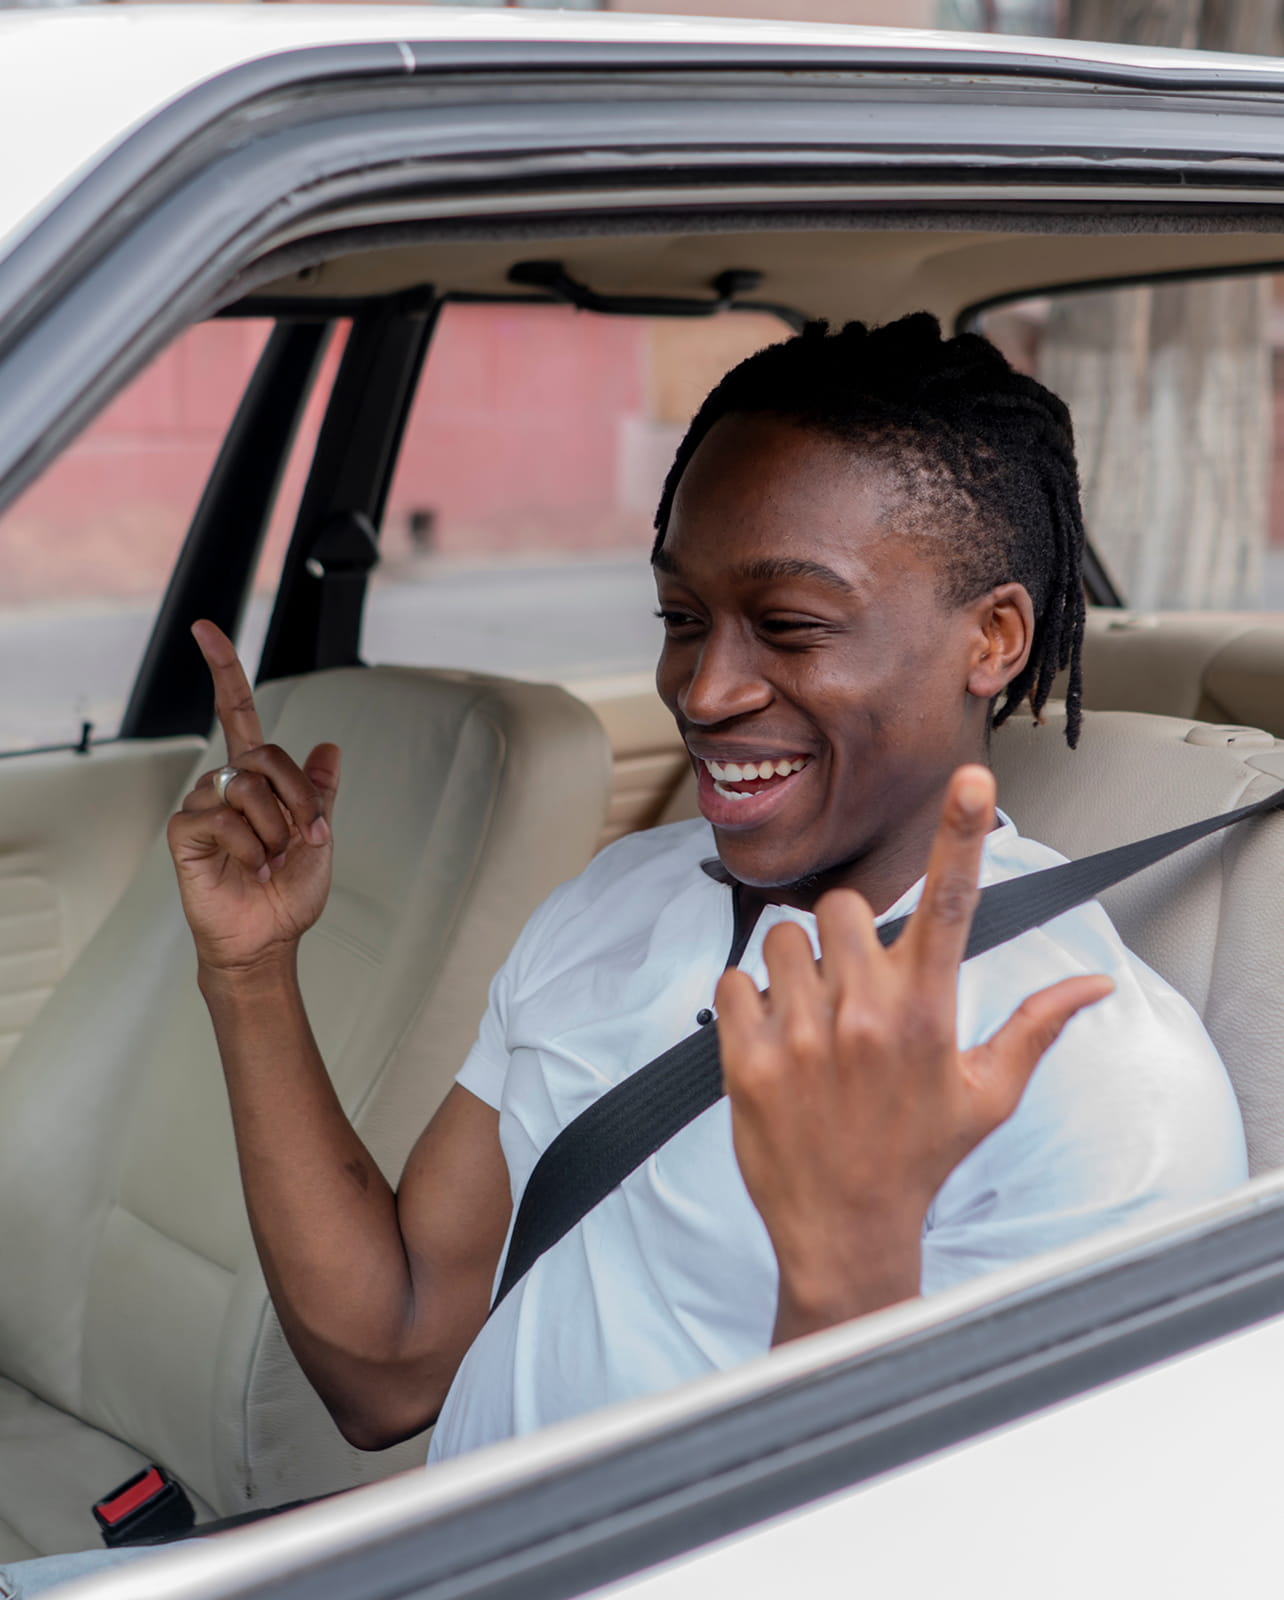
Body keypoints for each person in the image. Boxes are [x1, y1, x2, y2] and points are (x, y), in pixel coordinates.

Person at [0, 314, 1247, 1595]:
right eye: (680, 614)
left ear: (994, 638)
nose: (705, 690)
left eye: (792, 625)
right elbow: (390, 1361)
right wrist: (251, 974)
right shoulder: (619, 900)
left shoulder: (1103, 1087)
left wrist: (846, 1268)